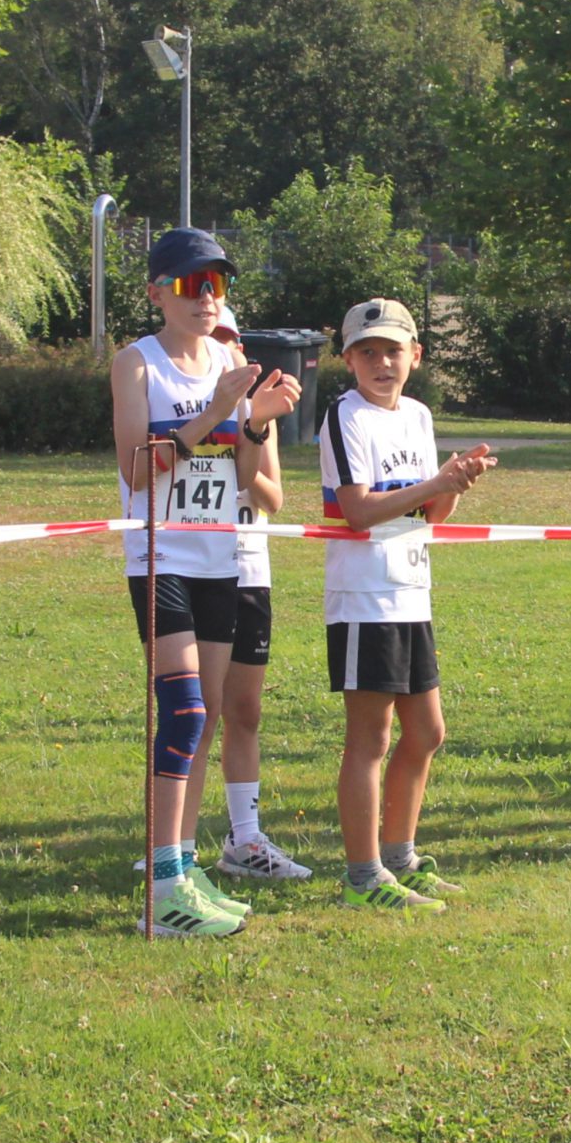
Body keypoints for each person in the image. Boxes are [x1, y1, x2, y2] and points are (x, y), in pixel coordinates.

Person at [112, 228, 301, 937]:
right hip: (162, 557)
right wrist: (219, 410)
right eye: (193, 285)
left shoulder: (230, 360)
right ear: (158, 292)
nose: (206, 297)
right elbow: (137, 467)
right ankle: (162, 892)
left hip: (223, 558)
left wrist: (256, 424)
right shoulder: (137, 364)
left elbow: (252, 481)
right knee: (185, 711)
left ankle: (184, 873)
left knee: (210, 713)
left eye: (215, 284)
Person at [319, 299, 495, 910]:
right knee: (370, 738)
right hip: (364, 596)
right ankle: (363, 877)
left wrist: (456, 483)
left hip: (412, 591)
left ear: (415, 357)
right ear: (347, 361)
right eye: (367, 351)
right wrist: (435, 485)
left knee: (427, 731)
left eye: (393, 350)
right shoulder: (346, 418)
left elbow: (430, 515)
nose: (382, 362)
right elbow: (359, 509)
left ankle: (400, 858)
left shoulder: (418, 418)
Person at [201, 306, 314, 884]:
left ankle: (245, 839)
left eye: (232, 337)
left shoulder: (259, 407)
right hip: (194, 567)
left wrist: (249, 435)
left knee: (244, 710)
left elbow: (271, 496)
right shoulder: (190, 403)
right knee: (195, 709)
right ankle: (166, 842)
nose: (225, 347)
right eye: (216, 337)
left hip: (249, 568)